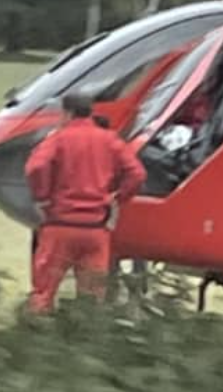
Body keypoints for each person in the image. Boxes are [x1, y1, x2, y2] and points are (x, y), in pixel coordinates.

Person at [25, 93, 147, 313]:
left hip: (59, 226)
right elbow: (137, 173)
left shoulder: (58, 138)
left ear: (67, 113)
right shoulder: (110, 140)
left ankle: (38, 336)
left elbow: (36, 167)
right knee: (91, 299)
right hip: (95, 229)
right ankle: (84, 340)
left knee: (43, 294)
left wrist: (42, 198)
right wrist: (119, 197)